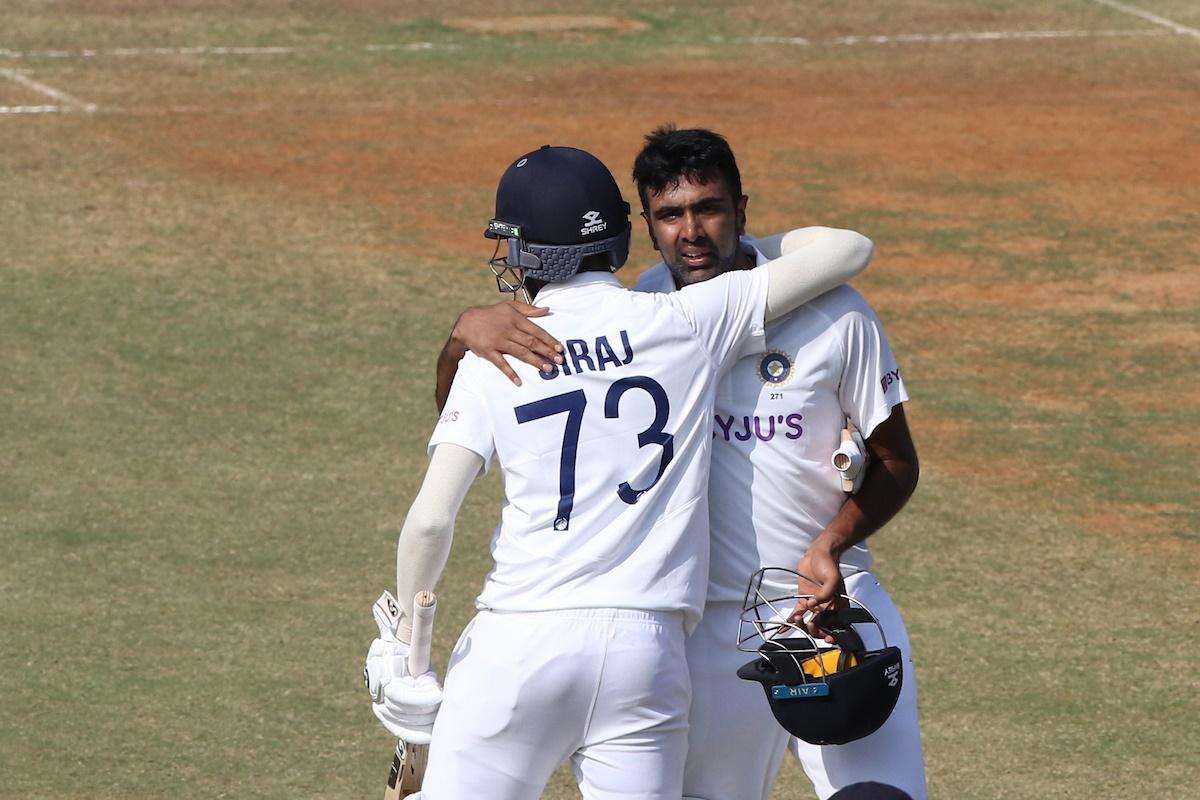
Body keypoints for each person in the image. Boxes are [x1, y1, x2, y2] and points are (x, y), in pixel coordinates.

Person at [365, 143, 874, 800]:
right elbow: (847, 250)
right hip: (649, 655)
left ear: (527, 254)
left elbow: (432, 519)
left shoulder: (494, 347)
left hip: (519, 642)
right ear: (621, 236)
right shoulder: (690, 319)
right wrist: (744, 238)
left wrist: (407, 650)